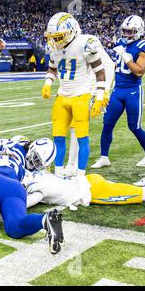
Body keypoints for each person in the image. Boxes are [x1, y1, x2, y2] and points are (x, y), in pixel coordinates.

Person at [41, 12, 108, 177]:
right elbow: (53, 68)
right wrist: (48, 83)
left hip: (81, 96)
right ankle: (58, 173)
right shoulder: (55, 48)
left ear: (71, 31)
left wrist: (99, 98)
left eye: (59, 36)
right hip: (62, 96)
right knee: (58, 137)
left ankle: (80, 176)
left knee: (81, 138)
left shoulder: (84, 43)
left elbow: (100, 73)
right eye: (53, 37)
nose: (55, 41)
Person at [91, 15, 145, 169]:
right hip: (117, 91)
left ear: (138, 31)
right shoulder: (120, 43)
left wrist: (127, 58)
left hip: (132, 91)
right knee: (107, 124)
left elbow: (139, 72)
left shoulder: (144, 45)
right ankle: (104, 157)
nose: (126, 34)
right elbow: (113, 68)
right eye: (125, 31)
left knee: (134, 126)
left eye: (130, 32)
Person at [21, 139, 145, 208]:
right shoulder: (37, 176)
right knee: (123, 188)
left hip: (91, 190)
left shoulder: (36, 184)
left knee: (144, 194)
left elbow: (23, 204)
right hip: (86, 181)